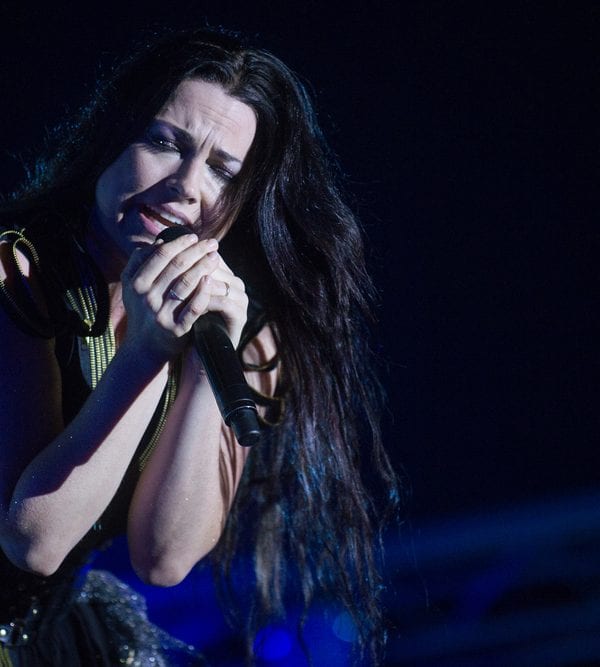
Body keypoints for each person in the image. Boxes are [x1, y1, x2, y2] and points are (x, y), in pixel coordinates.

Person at [0, 27, 399, 665]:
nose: (187, 186)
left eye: (221, 171)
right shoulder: (17, 276)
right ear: (111, 137)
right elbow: (33, 542)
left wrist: (207, 373)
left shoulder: (246, 334)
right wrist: (146, 353)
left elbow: (164, 557)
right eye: (164, 143)